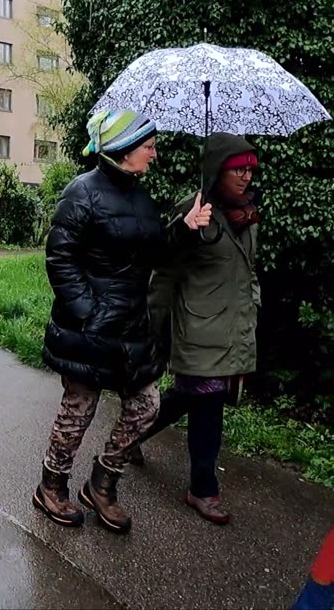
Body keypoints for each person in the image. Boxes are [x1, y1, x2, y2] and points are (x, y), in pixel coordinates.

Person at [32, 108, 210, 534]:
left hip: (131, 329)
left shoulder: (141, 197)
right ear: (125, 149)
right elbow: (60, 258)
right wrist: (88, 313)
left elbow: (152, 254)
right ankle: (51, 486)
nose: (154, 153)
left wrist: (183, 227)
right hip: (88, 330)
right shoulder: (81, 192)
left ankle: (102, 483)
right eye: (148, 146)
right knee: (78, 413)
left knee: (146, 408)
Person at [136, 134, 261, 525]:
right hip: (197, 328)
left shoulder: (247, 213)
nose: (245, 177)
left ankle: (131, 434)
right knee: (207, 405)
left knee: (188, 398)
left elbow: (247, 269)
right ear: (217, 170)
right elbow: (164, 270)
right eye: (237, 168)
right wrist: (157, 331)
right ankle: (203, 489)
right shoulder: (192, 210)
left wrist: (253, 298)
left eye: (249, 169)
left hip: (233, 326)